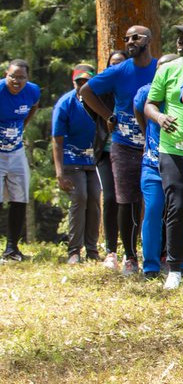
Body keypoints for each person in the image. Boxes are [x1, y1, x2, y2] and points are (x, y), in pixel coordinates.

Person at [82, 25, 158, 273]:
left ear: (149, 40)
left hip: (155, 146)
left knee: (159, 201)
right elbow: (86, 91)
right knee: (126, 201)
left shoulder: (160, 68)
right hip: (123, 145)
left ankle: (163, 255)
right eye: (126, 38)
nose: (130, 41)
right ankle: (130, 256)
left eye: (135, 37)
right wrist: (108, 115)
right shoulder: (118, 71)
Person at [144, 21, 183, 289]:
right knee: (177, 206)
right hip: (171, 148)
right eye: (178, 36)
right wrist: (159, 117)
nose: (179, 41)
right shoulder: (168, 69)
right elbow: (150, 104)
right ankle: (174, 267)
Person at [133, 56, 180, 279]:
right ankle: (150, 266)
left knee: (181, 213)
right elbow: (140, 114)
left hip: (179, 163)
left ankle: (182, 264)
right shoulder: (145, 92)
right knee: (152, 211)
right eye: (160, 69)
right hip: (152, 164)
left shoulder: (182, 92)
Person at [52, 65, 101, 264]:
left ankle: (92, 249)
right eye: (79, 82)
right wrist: (59, 172)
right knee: (79, 197)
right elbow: (57, 138)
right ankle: (74, 250)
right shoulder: (65, 103)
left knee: (95, 199)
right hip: (72, 159)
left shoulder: (100, 101)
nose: (83, 85)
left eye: (87, 81)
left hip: (94, 160)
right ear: (73, 83)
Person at [1, 59, 40, 262]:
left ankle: (11, 249)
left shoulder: (32, 91)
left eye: (21, 77)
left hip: (16, 151)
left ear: (27, 78)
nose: (16, 81)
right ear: (6, 75)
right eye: (12, 76)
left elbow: (34, 106)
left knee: (20, 197)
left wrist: (20, 128)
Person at [92, 50, 127, 265]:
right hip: (105, 152)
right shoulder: (101, 93)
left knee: (130, 201)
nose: (116, 69)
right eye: (112, 64)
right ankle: (111, 251)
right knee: (110, 198)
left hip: (129, 152)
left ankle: (130, 252)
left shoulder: (132, 89)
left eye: (120, 64)